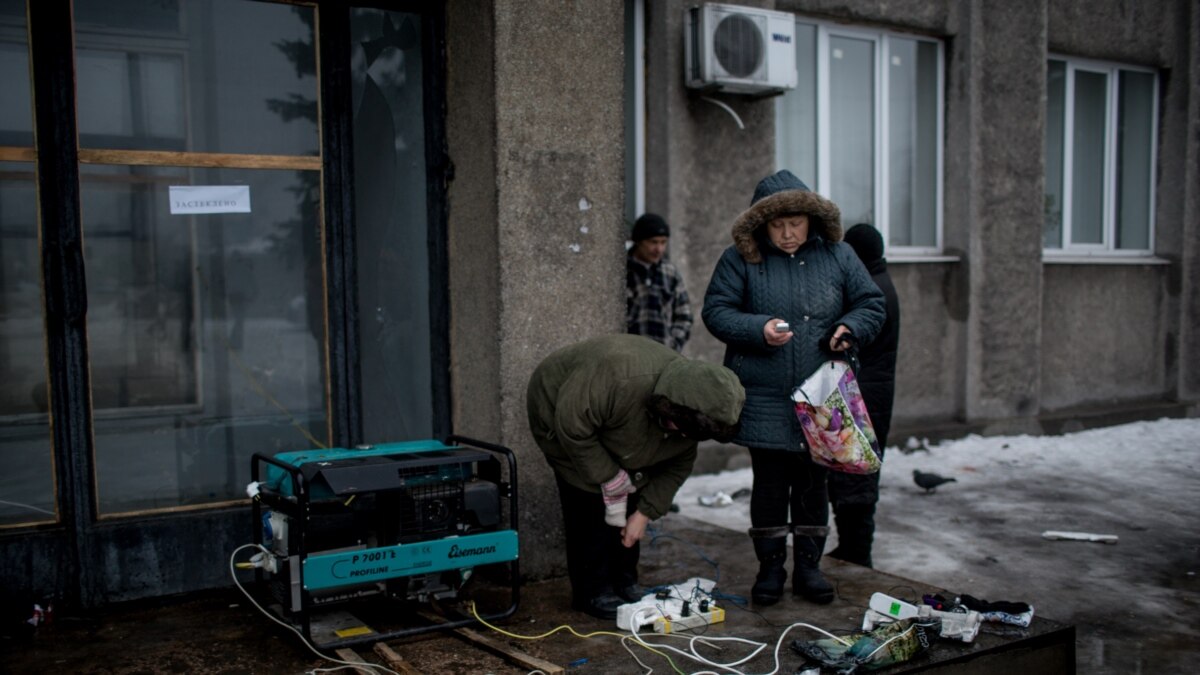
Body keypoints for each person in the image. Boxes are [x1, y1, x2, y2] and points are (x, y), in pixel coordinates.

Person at [701, 170, 885, 606]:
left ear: (811, 219)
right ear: (761, 225)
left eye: (796, 223)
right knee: (768, 485)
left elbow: (871, 303)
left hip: (821, 396)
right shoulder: (739, 259)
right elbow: (716, 311)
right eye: (777, 225)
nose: (787, 234)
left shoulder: (838, 255)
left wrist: (849, 327)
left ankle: (808, 569)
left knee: (812, 485)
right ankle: (769, 571)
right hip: (763, 394)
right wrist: (757, 328)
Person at [526, 334, 745, 619]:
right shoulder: (619, 377)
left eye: (687, 433)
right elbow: (573, 428)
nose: (680, 436)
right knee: (590, 497)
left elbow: (676, 467)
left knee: (632, 494)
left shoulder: (693, 412)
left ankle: (624, 580)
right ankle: (593, 590)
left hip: (618, 425)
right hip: (559, 410)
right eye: (677, 427)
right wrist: (610, 477)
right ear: (667, 406)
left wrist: (643, 514)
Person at [827, 223, 901, 569]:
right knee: (854, 474)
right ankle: (852, 548)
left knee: (856, 476)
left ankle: (857, 552)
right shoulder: (880, 282)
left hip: (865, 397)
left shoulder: (872, 291)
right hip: (872, 394)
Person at [626, 213, 693, 351]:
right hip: (628, 355)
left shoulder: (670, 273)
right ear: (638, 241)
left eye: (663, 242)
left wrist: (673, 346)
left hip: (663, 356)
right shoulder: (623, 272)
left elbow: (684, 316)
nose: (659, 249)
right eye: (653, 242)